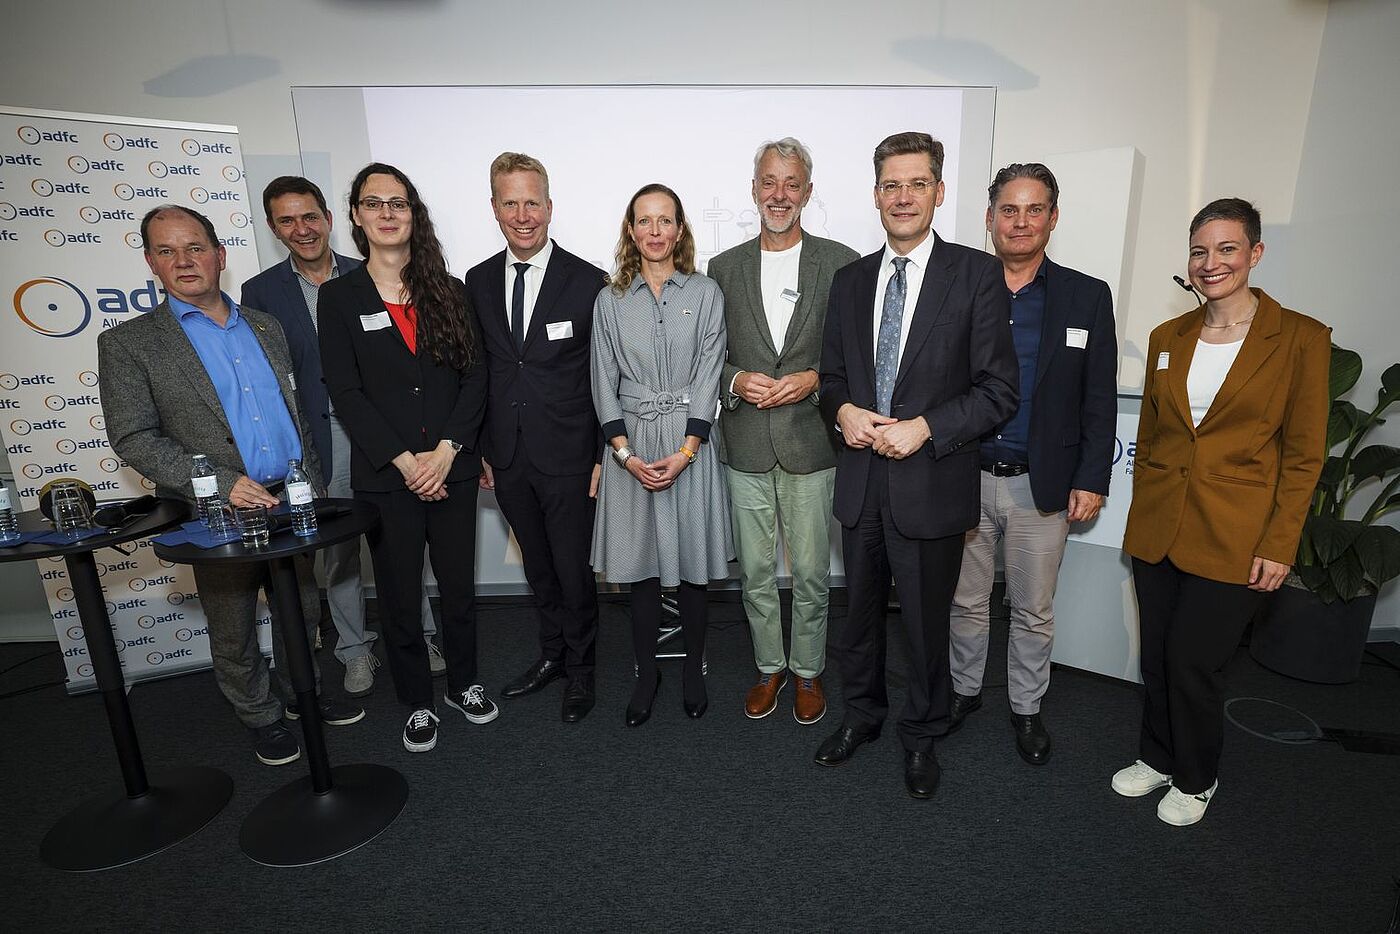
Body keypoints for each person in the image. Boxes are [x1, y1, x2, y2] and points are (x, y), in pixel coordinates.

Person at [98, 205, 363, 767]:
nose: (183, 261)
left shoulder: (266, 326)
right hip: (219, 508)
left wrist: (310, 484)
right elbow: (134, 438)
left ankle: (302, 695)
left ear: (220, 255)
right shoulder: (131, 344)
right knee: (233, 618)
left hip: (291, 499)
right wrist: (221, 483)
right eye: (166, 251)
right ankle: (259, 715)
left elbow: (298, 414)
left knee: (301, 605)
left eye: (194, 248)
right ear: (150, 262)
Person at [815, 132, 1018, 799]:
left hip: (931, 484)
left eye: (917, 183)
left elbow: (998, 391)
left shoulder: (976, 275)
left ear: (938, 191)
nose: (903, 197)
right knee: (858, 619)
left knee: (927, 627)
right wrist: (842, 411)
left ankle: (923, 735)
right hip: (861, 485)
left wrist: (929, 428)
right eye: (891, 185)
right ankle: (863, 716)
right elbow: (833, 379)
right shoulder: (848, 282)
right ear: (876, 195)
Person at [1115, 197, 1329, 825]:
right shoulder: (1168, 338)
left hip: (1238, 532)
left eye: (1227, 249)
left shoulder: (1301, 340)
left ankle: (1197, 774)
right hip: (1160, 526)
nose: (1212, 263)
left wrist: (1280, 541)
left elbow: (1303, 454)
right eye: (1201, 251)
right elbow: (1154, 437)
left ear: (1255, 254)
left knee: (1193, 660)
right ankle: (1156, 756)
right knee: (1155, 654)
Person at [241, 176, 442, 698]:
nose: (301, 229)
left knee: (405, 541)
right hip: (321, 433)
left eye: (310, 216)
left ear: (332, 217)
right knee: (341, 551)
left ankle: (422, 636)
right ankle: (354, 649)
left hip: (386, 432)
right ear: (273, 228)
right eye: (287, 220)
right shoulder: (260, 293)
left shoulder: (373, 271)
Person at [947, 163, 1118, 765]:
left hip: (1039, 482)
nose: (1020, 222)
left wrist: (1092, 478)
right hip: (963, 476)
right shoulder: (960, 285)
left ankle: (1026, 706)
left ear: (1053, 217)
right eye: (1009, 209)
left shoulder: (1086, 295)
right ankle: (964, 692)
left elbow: (1098, 398)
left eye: (1034, 209)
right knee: (964, 600)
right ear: (989, 216)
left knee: (1033, 607)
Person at [318, 163, 492, 753]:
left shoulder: (449, 289)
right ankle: (417, 701)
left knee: (459, 589)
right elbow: (345, 391)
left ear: (414, 215)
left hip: (452, 468)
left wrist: (445, 451)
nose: (388, 213)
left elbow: (475, 379)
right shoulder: (338, 298)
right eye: (375, 203)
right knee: (397, 594)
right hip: (388, 479)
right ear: (358, 217)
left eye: (400, 203)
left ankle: (464, 684)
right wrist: (404, 461)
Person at [709, 137, 857, 725]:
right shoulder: (722, 269)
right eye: (769, 182)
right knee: (756, 573)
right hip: (744, 443)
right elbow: (705, 359)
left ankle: (809, 672)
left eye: (792, 183)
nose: (780, 194)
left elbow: (854, 354)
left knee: (815, 575)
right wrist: (736, 379)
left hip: (810, 443)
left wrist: (817, 380)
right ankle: (769, 668)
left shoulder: (841, 262)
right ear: (753, 189)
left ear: (808, 192)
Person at [464, 153, 608, 723]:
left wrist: (602, 453)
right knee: (538, 569)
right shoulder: (474, 281)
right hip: (507, 457)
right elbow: (476, 371)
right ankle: (551, 656)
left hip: (572, 455)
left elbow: (604, 374)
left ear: (549, 207)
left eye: (532, 202)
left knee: (573, 569)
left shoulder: (588, 281)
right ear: (494, 208)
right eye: (510, 203)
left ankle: (582, 670)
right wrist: (480, 448)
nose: (522, 215)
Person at [590, 183, 732, 726]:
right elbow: (602, 379)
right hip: (630, 445)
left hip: (687, 444)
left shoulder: (705, 293)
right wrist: (623, 454)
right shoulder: (610, 300)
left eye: (664, 220)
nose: (654, 231)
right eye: (644, 221)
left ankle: (692, 668)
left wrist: (688, 448)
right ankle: (646, 672)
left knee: (693, 563)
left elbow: (708, 373)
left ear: (679, 229)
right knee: (641, 567)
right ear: (631, 229)